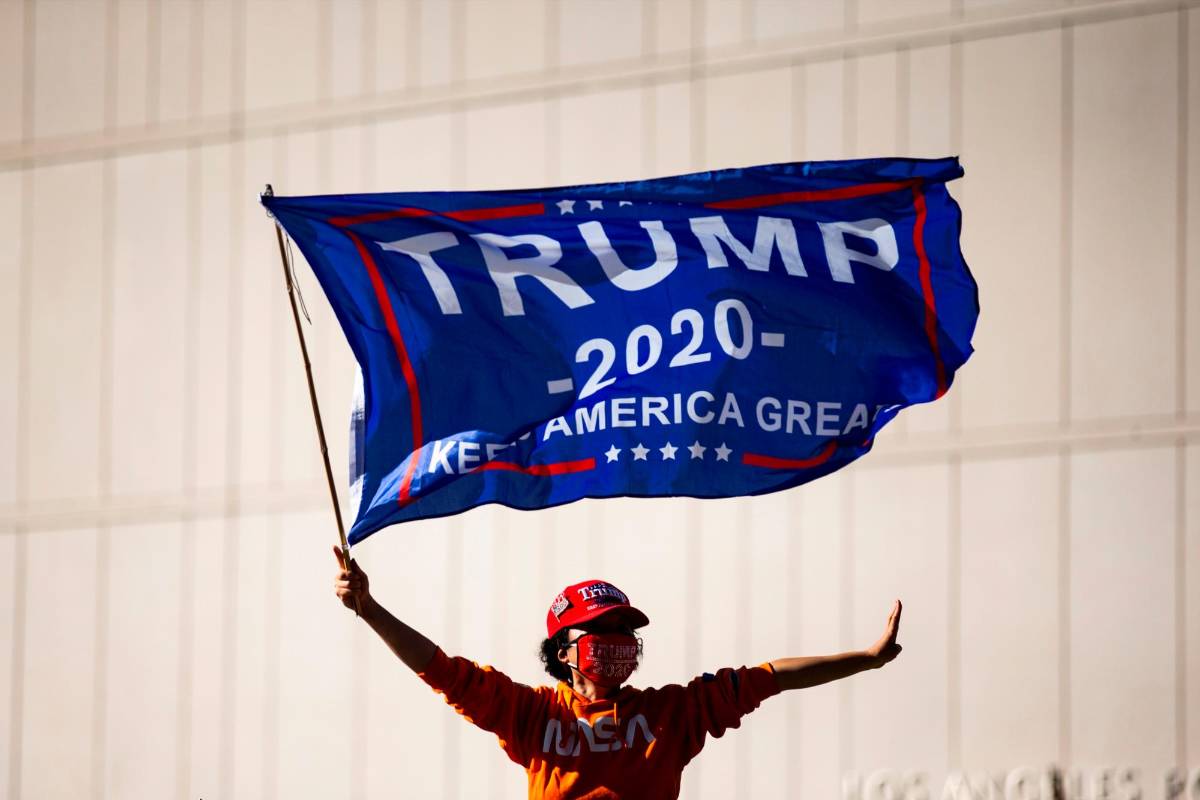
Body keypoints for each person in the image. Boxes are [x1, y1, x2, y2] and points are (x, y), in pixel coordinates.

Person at [333, 545, 902, 799]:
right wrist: (370, 609)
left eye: (626, 635)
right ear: (562, 650)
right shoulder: (533, 715)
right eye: (601, 635)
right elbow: (443, 672)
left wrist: (867, 658)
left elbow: (770, 676)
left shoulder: (672, 713)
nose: (618, 647)